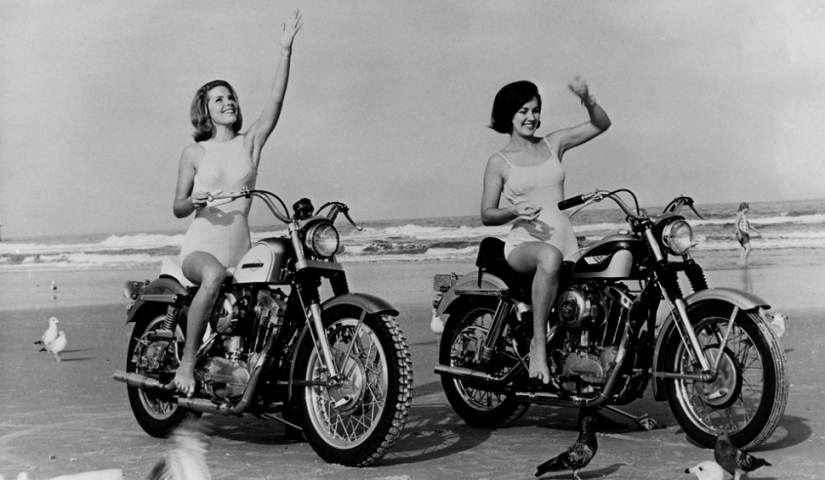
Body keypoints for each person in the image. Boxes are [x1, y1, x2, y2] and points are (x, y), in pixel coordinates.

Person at [171, 11, 302, 396]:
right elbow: (178, 207)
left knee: (273, 299)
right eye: (218, 99)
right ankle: (187, 364)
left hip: (240, 249)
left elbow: (275, 101)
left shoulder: (249, 143)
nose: (227, 102)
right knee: (212, 277)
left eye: (230, 97)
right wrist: (191, 199)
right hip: (201, 248)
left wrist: (285, 51)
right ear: (205, 110)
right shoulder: (195, 152)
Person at [480, 78, 611, 384]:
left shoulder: (553, 144)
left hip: (567, 241)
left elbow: (601, 124)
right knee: (550, 258)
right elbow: (487, 214)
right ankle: (538, 345)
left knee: (602, 291)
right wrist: (513, 210)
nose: (532, 117)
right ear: (508, 115)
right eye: (523, 110)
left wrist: (588, 98)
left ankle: (592, 373)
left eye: (536, 110)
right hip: (525, 244)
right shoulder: (498, 162)